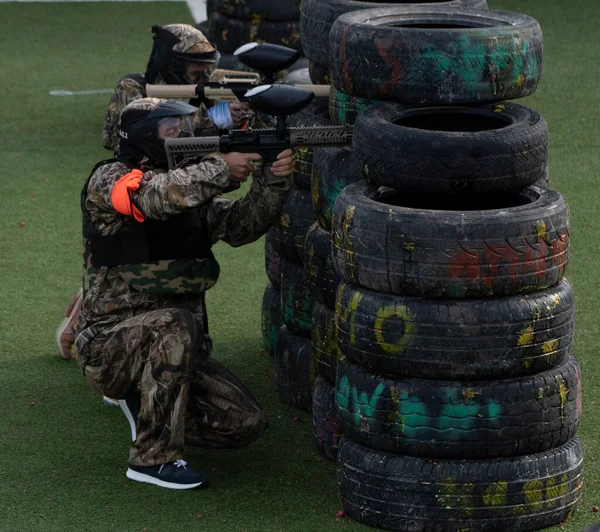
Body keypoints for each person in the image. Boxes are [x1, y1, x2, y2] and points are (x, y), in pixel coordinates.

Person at [75, 97, 294, 489]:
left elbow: (242, 224)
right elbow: (155, 197)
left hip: (177, 353)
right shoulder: (109, 179)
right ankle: (151, 459)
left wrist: (272, 179)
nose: (182, 135)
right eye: (170, 130)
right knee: (175, 322)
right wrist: (221, 168)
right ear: (143, 136)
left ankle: (148, 404)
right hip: (108, 346)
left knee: (245, 422)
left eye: (182, 127)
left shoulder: (192, 187)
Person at [56, 23, 256, 360]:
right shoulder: (134, 88)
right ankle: (89, 315)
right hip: (136, 181)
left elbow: (190, 136)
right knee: (117, 261)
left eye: (207, 67)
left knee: (176, 250)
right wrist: (206, 120)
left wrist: (226, 114)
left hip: (182, 180)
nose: (203, 74)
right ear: (172, 61)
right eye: (196, 67)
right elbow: (120, 133)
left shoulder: (201, 90)